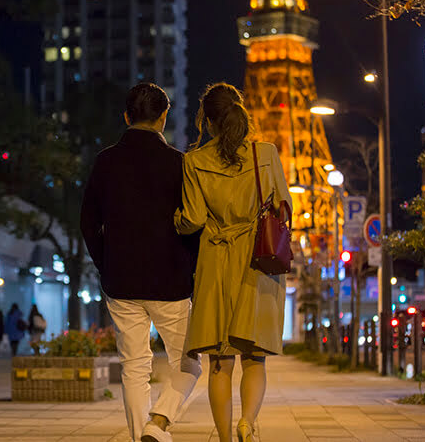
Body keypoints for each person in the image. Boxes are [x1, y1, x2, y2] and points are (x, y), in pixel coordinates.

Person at [81, 82, 201, 442]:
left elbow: (88, 221)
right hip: (172, 281)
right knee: (189, 362)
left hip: (121, 281)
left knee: (134, 367)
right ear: (163, 117)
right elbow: (194, 223)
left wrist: (106, 264)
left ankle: (141, 437)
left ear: (126, 116)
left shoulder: (105, 161)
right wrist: (189, 265)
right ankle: (159, 422)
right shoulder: (180, 163)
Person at [174, 83, 292, 442]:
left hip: (215, 262)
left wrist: (176, 219)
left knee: (219, 362)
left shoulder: (193, 161)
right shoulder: (266, 154)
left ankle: (225, 437)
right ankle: (247, 424)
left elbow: (192, 219)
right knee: (255, 358)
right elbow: (285, 208)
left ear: (206, 120)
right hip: (257, 262)